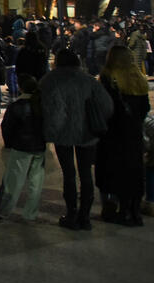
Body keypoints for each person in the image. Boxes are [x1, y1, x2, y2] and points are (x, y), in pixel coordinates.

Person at [40, 49, 113, 230]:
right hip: (87, 132)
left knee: (69, 174)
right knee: (86, 173)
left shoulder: (49, 80)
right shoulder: (88, 80)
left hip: (62, 133)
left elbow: (46, 108)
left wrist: (50, 129)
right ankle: (85, 216)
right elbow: (107, 105)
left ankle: (71, 213)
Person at [0, 74, 46, 221]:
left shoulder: (17, 106)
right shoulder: (41, 105)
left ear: (20, 87)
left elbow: (7, 127)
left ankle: (2, 210)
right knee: (36, 183)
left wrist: (9, 144)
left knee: (12, 182)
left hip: (21, 147)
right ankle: (30, 213)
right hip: (39, 147)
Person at [96, 45, 150, 226]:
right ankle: (134, 211)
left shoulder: (108, 78)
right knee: (135, 170)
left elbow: (104, 107)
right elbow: (145, 108)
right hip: (134, 133)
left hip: (113, 134)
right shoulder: (139, 79)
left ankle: (121, 210)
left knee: (116, 171)